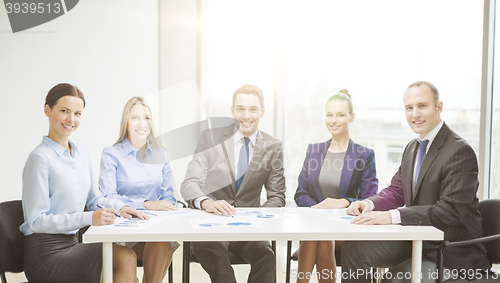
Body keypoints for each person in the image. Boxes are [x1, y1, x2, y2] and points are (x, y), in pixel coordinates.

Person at [343, 81, 490, 283]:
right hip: (417, 240)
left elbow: (450, 211)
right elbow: (396, 190)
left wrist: (391, 216)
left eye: (422, 106)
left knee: (393, 280)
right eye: (409, 108)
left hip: (449, 251)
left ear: (438, 107)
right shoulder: (412, 148)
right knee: (355, 250)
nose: (415, 114)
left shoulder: (459, 151)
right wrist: (368, 204)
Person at [20, 83, 146, 283]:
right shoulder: (39, 158)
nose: (71, 119)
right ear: (47, 110)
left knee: (125, 259)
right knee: (124, 258)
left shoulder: (82, 153)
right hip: (45, 253)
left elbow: (95, 198)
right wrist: (89, 218)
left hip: (73, 244)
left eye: (78, 113)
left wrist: (121, 208)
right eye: (64, 111)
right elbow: (36, 221)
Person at [180, 84, 286, 283]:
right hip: (212, 227)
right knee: (221, 265)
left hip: (249, 228)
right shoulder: (210, 138)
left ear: (262, 112)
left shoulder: (273, 146)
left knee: (267, 257)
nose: (246, 115)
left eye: (253, 109)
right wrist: (206, 202)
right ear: (232, 110)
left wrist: (256, 218)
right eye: (241, 109)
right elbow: (189, 183)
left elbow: (277, 197)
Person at [294, 90, 378, 283]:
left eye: (340, 114)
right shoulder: (314, 151)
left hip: (347, 225)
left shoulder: (364, 155)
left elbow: (371, 198)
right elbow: (300, 193)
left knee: (320, 236)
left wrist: (343, 202)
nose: (334, 120)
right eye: (329, 114)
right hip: (316, 222)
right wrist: (319, 209)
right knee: (318, 235)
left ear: (351, 117)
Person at [98, 96, 178, 283]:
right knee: (162, 246)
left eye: (147, 118)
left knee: (162, 242)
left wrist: (167, 206)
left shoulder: (162, 155)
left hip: (152, 227)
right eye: (135, 117)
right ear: (126, 121)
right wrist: (145, 204)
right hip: (122, 228)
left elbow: (169, 197)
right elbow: (106, 196)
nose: (141, 124)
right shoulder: (111, 154)